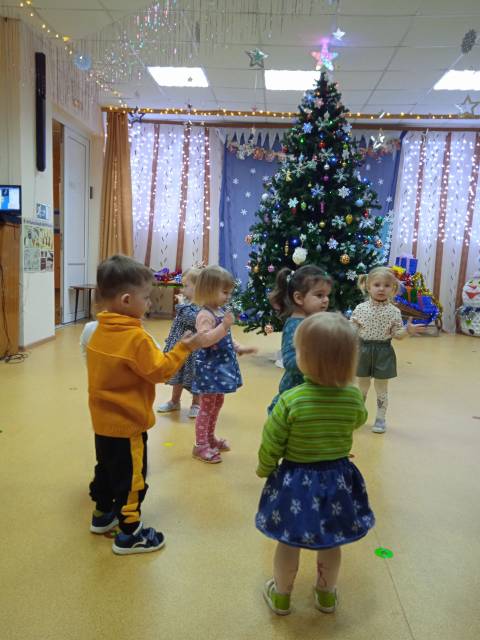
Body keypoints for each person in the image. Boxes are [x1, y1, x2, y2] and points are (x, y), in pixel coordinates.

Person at [80, 255, 208, 555]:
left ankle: (102, 514)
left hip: (102, 422)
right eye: (147, 297)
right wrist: (184, 348)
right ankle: (130, 534)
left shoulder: (96, 331)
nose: (149, 303)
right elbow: (160, 371)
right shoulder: (136, 338)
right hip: (128, 425)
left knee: (106, 468)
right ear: (126, 300)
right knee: (132, 478)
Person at [255, 312, 374, 615]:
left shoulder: (291, 400)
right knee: (331, 542)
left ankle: (282, 597)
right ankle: (326, 595)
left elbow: (272, 441)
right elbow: (358, 421)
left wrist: (265, 468)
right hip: (337, 481)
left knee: (288, 541)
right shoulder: (352, 397)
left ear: (305, 359)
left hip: (295, 482)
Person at [191, 265, 257, 463]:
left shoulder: (219, 311)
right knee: (206, 406)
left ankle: (210, 438)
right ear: (209, 290)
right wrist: (224, 326)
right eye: (224, 292)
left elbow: (225, 337)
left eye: (229, 292)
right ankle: (200, 445)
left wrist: (239, 348)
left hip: (220, 368)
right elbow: (204, 340)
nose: (228, 296)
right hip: (210, 369)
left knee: (217, 403)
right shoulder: (204, 315)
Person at [351, 266, 425, 434]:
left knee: (381, 389)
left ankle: (380, 418)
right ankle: (358, 415)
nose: (381, 289)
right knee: (362, 387)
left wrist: (407, 330)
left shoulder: (394, 312)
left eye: (386, 285)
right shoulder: (360, 309)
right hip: (362, 351)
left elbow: (397, 335)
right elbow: (352, 329)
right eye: (377, 285)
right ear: (368, 287)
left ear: (393, 289)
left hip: (383, 353)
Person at [268, 265, 332, 412]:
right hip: (295, 393)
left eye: (327, 295)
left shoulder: (314, 320)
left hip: (311, 391)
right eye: (319, 295)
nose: (326, 300)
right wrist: (319, 361)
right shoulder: (295, 326)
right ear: (299, 298)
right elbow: (290, 361)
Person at [157, 267, 202, 419]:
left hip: (194, 349)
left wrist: (182, 306)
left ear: (198, 287)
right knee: (177, 373)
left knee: (195, 375)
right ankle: (174, 401)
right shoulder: (187, 302)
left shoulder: (202, 304)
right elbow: (178, 324)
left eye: (186, 286)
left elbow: (193, 320)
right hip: (180, 345)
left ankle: (196, 404)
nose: (182, 289)